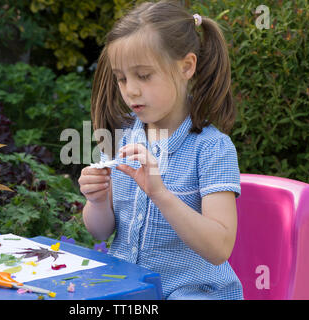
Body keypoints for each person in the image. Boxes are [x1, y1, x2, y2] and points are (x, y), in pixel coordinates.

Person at [78, 0, 243, 300]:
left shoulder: (212, 149)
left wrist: (160, 193)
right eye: (122, 78)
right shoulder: (119, 138)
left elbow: (219, 248)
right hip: (129, 289)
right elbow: (101, 232)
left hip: (194, 292)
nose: (131, 90)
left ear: (186, 67)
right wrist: (98, 201)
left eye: (144, 76)